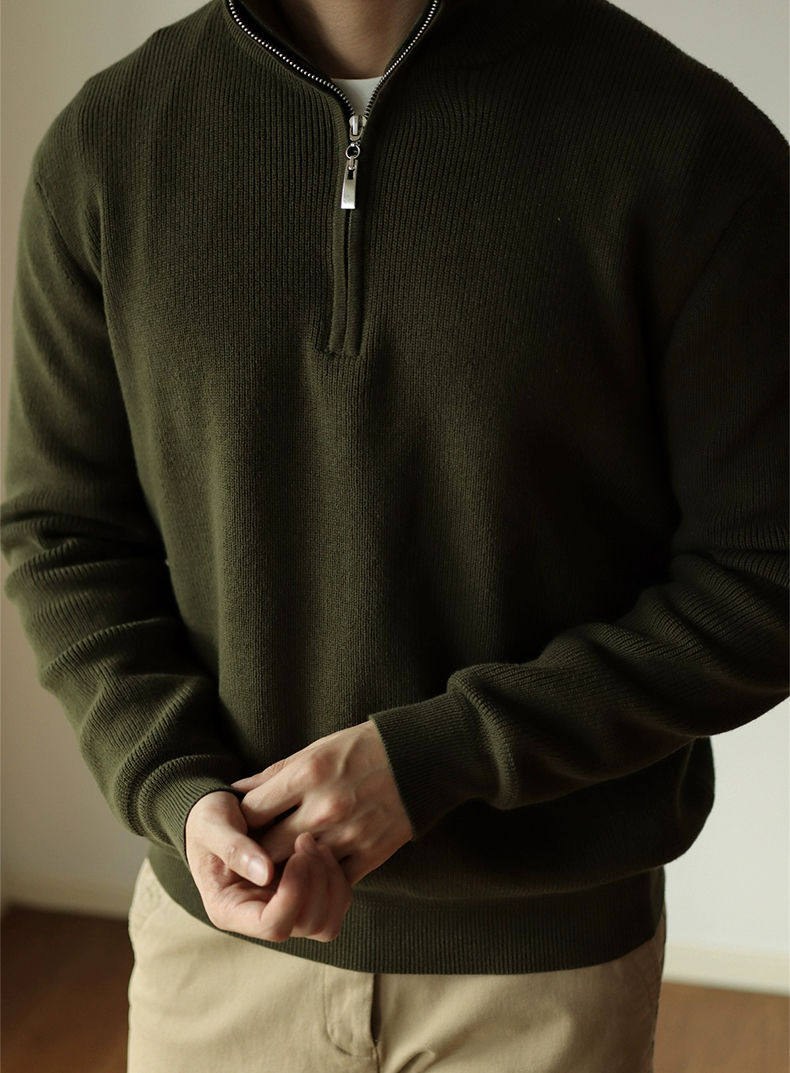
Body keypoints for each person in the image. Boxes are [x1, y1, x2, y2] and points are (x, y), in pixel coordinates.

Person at [1, 0, 787, 1069]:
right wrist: (172, 784)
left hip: (541, 980)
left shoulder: (688, 147)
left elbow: (765, 574)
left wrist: (438, 759)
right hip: (213, 956)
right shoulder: (108, 146)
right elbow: (63, 534)